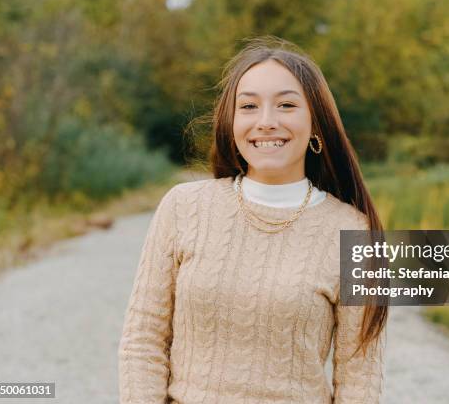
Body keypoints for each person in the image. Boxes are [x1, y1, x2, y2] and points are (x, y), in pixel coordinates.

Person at [118, 35, 388, 404]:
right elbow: (143, 341)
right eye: (248, 106)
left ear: (316, 125)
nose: (266, 122)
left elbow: (360, 376)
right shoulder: (183, 207)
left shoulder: (354, 231)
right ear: (231, 121)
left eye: (286, 105)